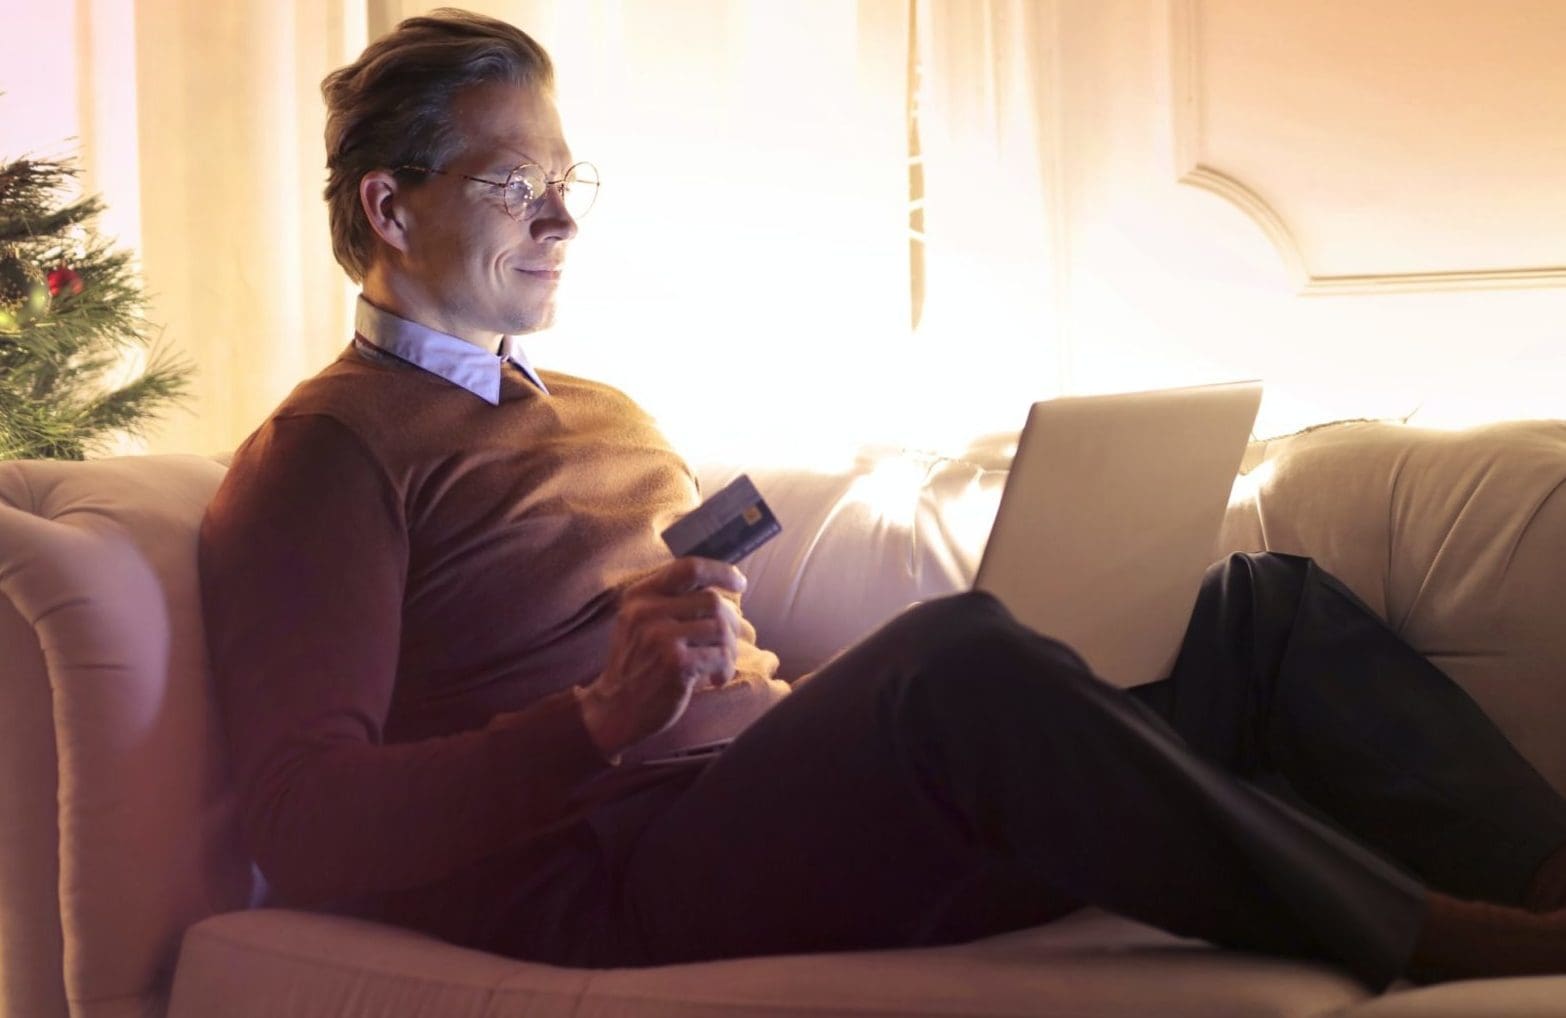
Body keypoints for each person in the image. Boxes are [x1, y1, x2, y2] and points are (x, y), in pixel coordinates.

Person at [199, 8, 1566, 991]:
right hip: (614, 874)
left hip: (764, 807)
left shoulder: (605, 408)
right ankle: (1441, 939)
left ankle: (1548, 878)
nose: (562, 221)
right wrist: (594, 719)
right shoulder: (325, 452)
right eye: (516, 186)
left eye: (568, 184)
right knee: (955, 658)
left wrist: (798, 704)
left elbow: (742, 671)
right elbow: (302, 818)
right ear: (388, 208)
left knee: (1247, 609)